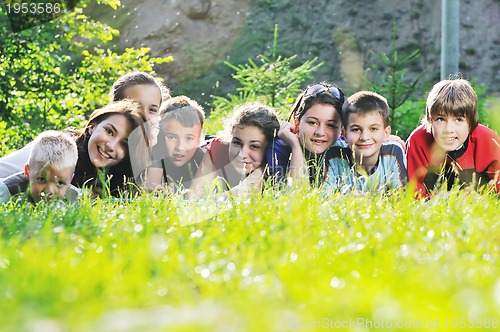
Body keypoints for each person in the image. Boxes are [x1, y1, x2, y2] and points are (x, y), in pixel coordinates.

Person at [0, 100, 147, 197]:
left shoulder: (118, 178)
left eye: (124, 144)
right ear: (92, 127)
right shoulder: (59, 146)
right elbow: (4, 169)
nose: (111, 146)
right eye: (109, 131)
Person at [406, 78, 500, 197]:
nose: (448, 129)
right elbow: (413, 193)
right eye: (440, 119)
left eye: (459, 120)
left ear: (471, 123)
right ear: (430, 120)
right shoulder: (417, 141)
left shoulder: (487, 139)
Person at [189, 102, 280, 198]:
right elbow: (192, 201)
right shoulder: (218, 149)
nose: (242, 154)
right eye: (237, 143)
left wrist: (261, 172)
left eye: (254, 146)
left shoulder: (276, 161)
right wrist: (235, 193)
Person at [322, 91, 407, 193]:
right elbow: (323, 199)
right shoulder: (335, 154)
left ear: (386, 133)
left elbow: (401, 200)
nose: (364, 137)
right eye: (356, 129)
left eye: (373, 129)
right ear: (344, 134)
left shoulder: (393, 152)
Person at [266, 82, 345, 186]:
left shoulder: (345, 152)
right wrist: (295, 147)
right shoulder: (280, 148)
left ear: (341, 129)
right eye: (312, 123)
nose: (320, 132)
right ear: (297, 123)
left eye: (330, 125)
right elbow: (296, 195)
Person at [145, 95, 206, 193]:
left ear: (198, 140)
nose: (180, 147)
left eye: (189, 138)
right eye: (172, 137)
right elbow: (152, 188)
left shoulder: (202, 158)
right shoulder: (156, 151)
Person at [0, 131, 79, 204]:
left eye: (60, 183)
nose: (49, 190)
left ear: (70, 180)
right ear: (27, 172)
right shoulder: (6, 191)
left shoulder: (75, 198)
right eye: (41, 179)